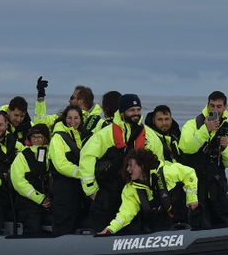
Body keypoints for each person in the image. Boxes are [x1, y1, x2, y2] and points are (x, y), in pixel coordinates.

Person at [77, 93, 146, 232]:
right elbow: (87, 156)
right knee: (100, 226)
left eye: (138, 110)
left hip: (133, 191)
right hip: (107, 192)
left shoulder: (146, 134)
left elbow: (158, 159)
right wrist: (91, 189)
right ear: (122, 112)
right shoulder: (106, 134)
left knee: (132, 227)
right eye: (132, 110)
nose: (136, 113)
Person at [177, 90, 228, 227]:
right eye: (212, 106)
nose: (215, 109)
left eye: (219, 106)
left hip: (216, 183)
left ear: (225, 107)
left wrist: (226, 148)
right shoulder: (192, 125)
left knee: (224, 218)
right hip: (195, 183)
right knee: (199, 220)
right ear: (207, 106)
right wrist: (205, 130)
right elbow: (185, 147)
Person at [146, 104, 200, 227]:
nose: (164, 123)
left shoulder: (176, 135)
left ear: (171, 119)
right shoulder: (150, 138)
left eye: (167, 119)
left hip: (180, 183)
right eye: (160, 120)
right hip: (162, 185)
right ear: (153, 120)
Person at [96, 148, 164, 235]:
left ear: (142, 165)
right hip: (161, 228)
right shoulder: (131, 189)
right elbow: (125, 213)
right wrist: (111, 229)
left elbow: (187, 176)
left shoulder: (168, 173)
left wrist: (188, 202)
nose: (128, 169)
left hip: (182, 225)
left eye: (131, 165)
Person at [47, 104, 86, 236]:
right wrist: (82, 173)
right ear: (64, 118)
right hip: (62, 189)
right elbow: (60, 165)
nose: (72, 121)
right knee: (63, 222)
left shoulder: (81, 135)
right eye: (69, 118)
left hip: (78, 188)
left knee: (76, 221)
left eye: (76, 118)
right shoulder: (57, 138)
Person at [9, 124, 53, 236]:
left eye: (40, 137)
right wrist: (40, 199)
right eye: (34, 137)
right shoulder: (22, 156)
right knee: (33, 228)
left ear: (46, 138)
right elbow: (18, 182)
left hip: (51, 199)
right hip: (29, 201)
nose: (36, 140)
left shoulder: (52, 153)